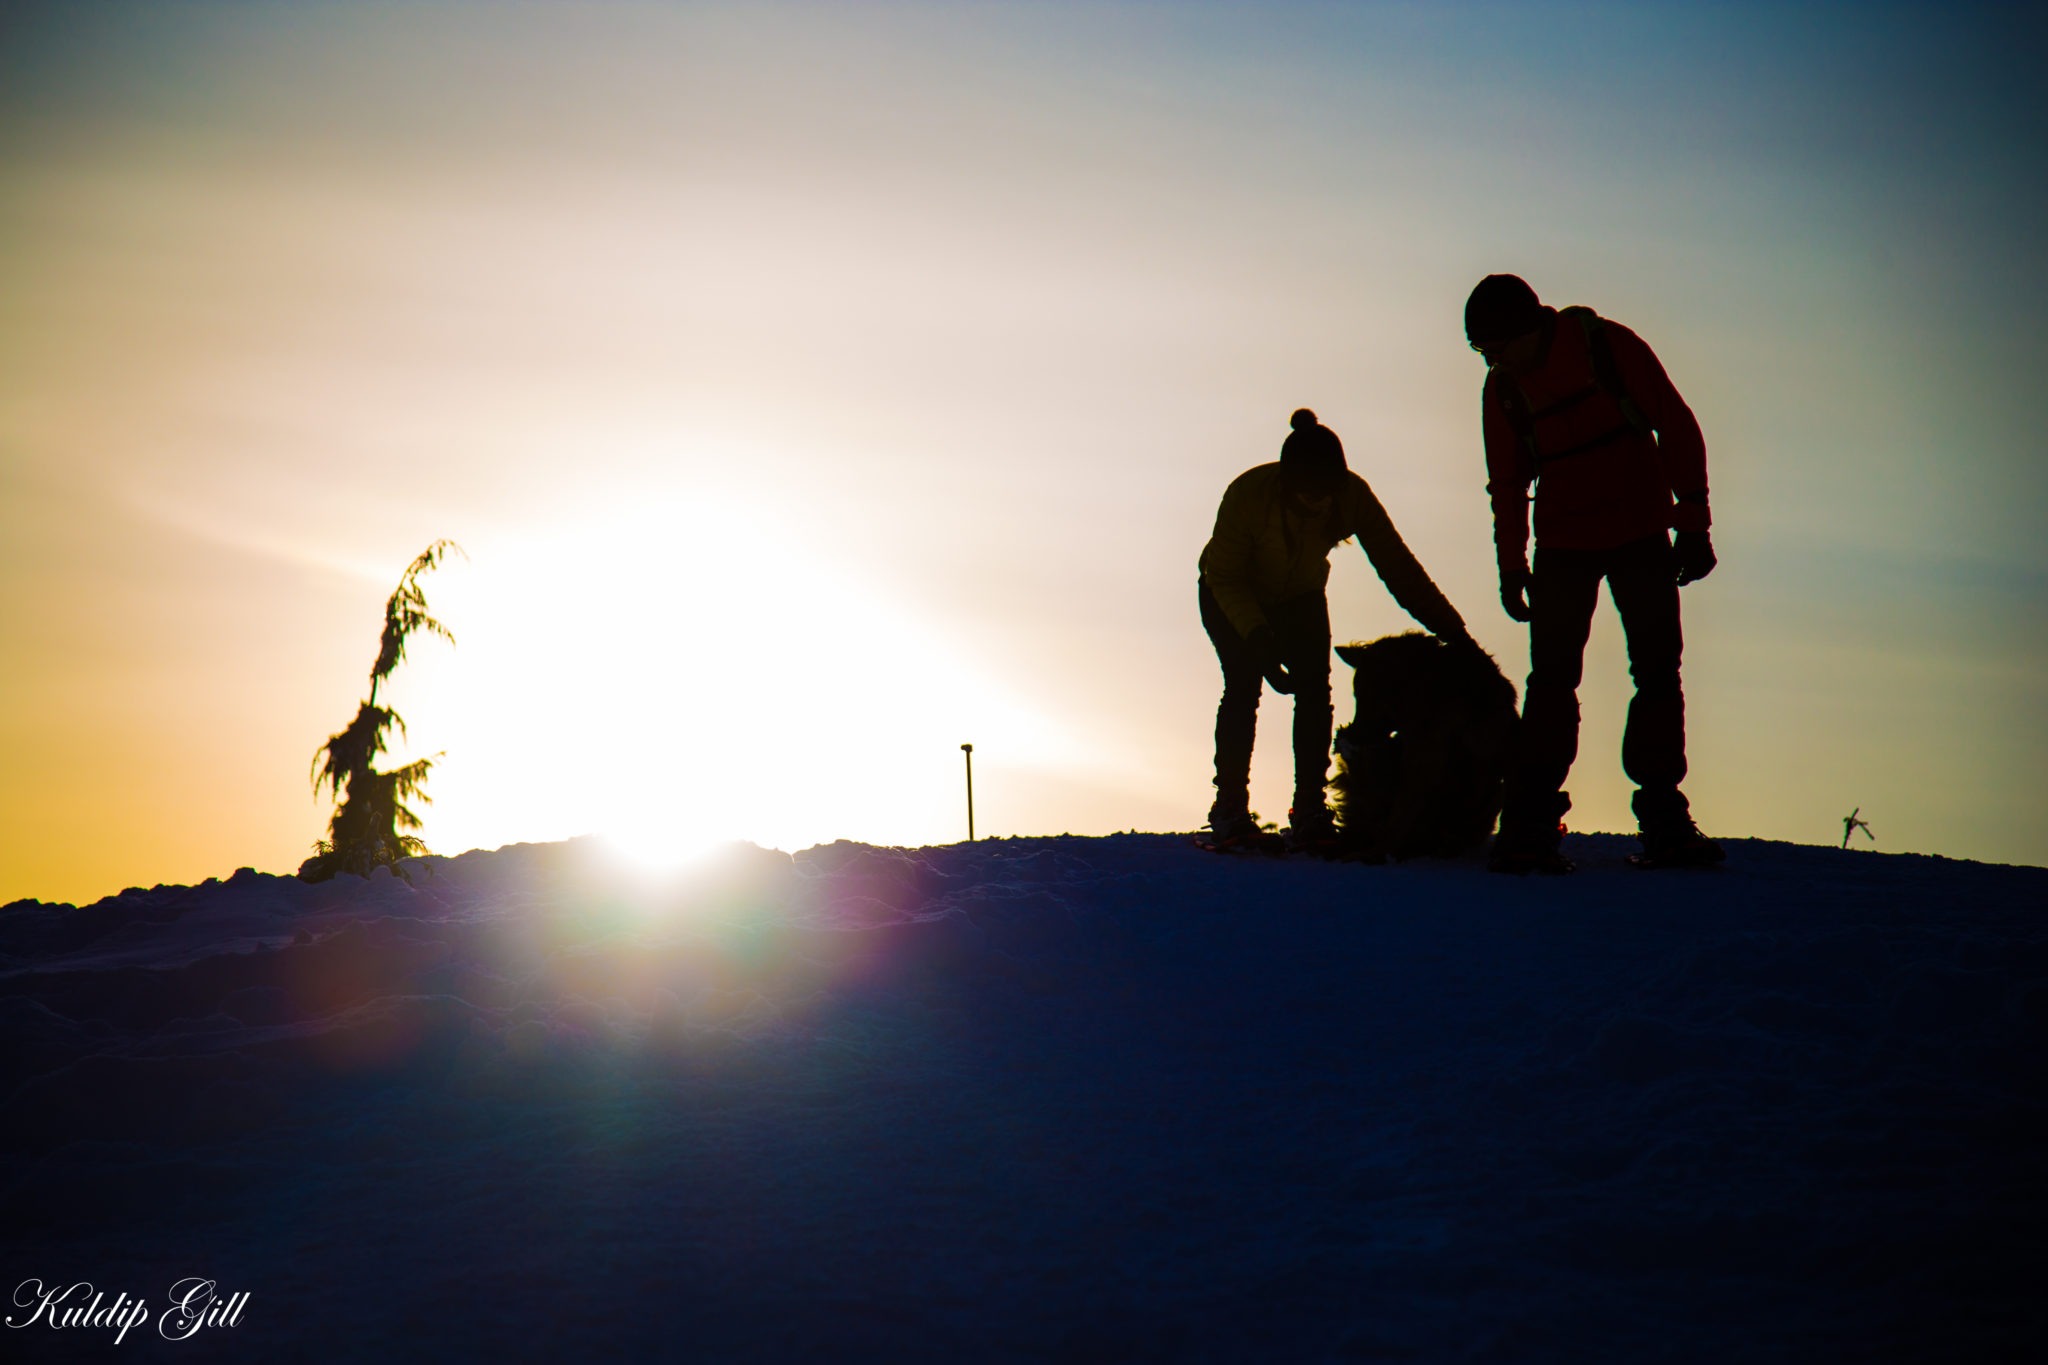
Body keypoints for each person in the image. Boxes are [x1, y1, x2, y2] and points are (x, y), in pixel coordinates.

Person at [1464, 273, 1725, 873]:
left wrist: (1693, 522)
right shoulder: (1503, 389)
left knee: (1657, 672)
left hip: (1641, 534)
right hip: (1563, 546)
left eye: (1496, 348)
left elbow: (1675, 424)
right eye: (1483, 352)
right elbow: (1507, 483)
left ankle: (1664, 820)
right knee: (1552, 684)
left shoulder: (1606, 346)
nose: (1492, 362)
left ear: (1528, 328)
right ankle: (1530, 825)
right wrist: (1511, 565)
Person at [1200, 409, 1473, 852]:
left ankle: (1309, 807)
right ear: (1287, 485)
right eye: (1309, 493)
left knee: (1315, 691)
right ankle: (1230, 807)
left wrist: (1453, 631)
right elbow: (1225, 577)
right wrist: (1259, 639)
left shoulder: (1352, 496)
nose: (1318, 502)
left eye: (1326, 492)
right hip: (1229, 592)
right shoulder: (1248, 494)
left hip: (1300, 595)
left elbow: (1398, 567)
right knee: (1243, 687)